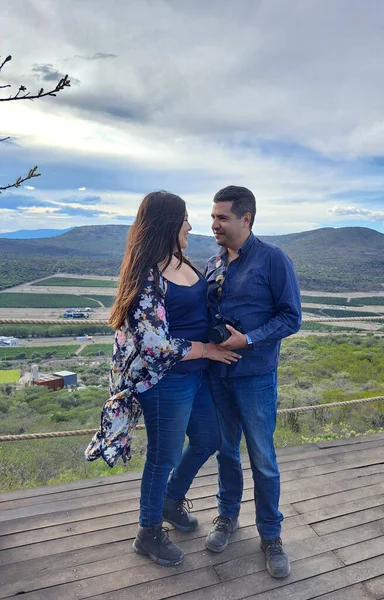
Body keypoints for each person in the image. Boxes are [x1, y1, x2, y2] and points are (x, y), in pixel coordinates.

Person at [86, 191, 240, 567]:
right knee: (163, 456)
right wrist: (206, 349)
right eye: (185, 219)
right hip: (164, 381)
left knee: (209, 437)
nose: (190, 226)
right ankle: (148, 532)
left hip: (196, 375)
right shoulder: (145, 275)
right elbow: (153, 344)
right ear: (168, 225)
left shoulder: (181, 261)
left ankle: (172, 500)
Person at [204, 185, 301, 578]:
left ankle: (271, 535)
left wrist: (248, 339)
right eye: (212, 217)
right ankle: (227, 517)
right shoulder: (213, 264)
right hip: (217, 375)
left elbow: (291, 317)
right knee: (226, 451)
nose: (214, 225)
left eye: (222, 217)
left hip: (255, 376)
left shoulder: (273, 260)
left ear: (246, 218)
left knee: (262, 458)